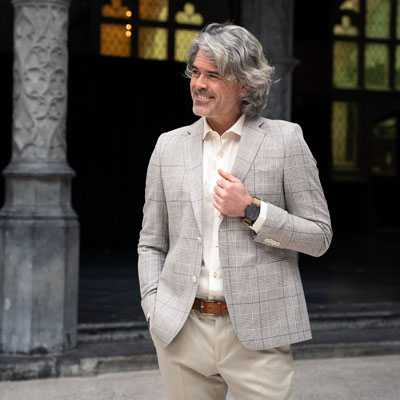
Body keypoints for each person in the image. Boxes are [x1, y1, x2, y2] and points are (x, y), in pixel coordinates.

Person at [138, 22, 332, 400]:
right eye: (195, 72)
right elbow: (151, 242)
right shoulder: (168, 147)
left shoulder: (286, 141)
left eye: (212, 75)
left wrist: (252, 210)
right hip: (181, 332)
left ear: (245, 84)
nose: (198, 83)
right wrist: (153, 306)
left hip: (260, 335)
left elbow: (319, 237)